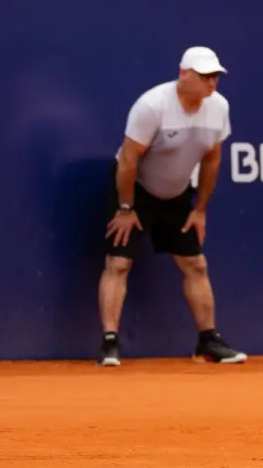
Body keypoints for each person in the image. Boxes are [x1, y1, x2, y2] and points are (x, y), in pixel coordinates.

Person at [97, 46, 247, 368]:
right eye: (205, 76)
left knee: (195, 265)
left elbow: (212, 159)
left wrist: (200, 209)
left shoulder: (218, 107)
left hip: (178, 192)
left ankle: (207, 342)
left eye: (215, 77)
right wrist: (126, 207)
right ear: (184, 74)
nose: (211, 84)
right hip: (134, 190)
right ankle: (110, 342)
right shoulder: (153, 106)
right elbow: (128, 159)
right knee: (119, 263)